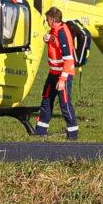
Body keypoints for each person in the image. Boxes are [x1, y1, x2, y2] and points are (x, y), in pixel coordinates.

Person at [35, 7, 79, 139]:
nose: (46, 21)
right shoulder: (55, 30)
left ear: (53, 19)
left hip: (63, 74)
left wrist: (62, 79)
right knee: (46, 99)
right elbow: (56, 44)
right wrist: (49, 38)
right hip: (53, 72)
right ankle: (41, 131)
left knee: (65, 103)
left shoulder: (63, 32)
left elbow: (68, 58)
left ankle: (73, 133)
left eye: (47, 19)